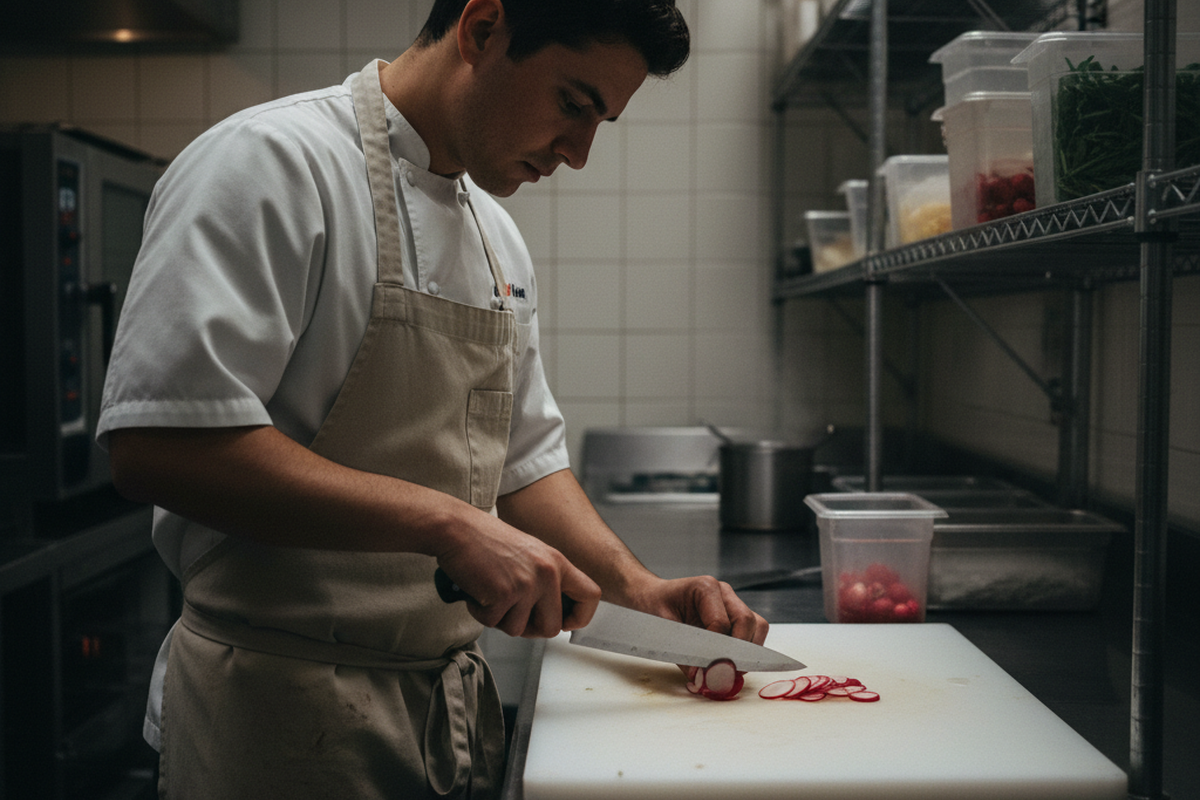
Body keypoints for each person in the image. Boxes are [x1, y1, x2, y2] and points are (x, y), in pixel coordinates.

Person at [98, 0, 769, 797]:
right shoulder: (270, 163)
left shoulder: (496, 234)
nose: (580, 153)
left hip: (441, 717)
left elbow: (522, 464)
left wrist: (640, 590)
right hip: (275, 715)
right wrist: (448, 524)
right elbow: (160, 447)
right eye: (572, 104)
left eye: (602, 122)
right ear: (483, 29)